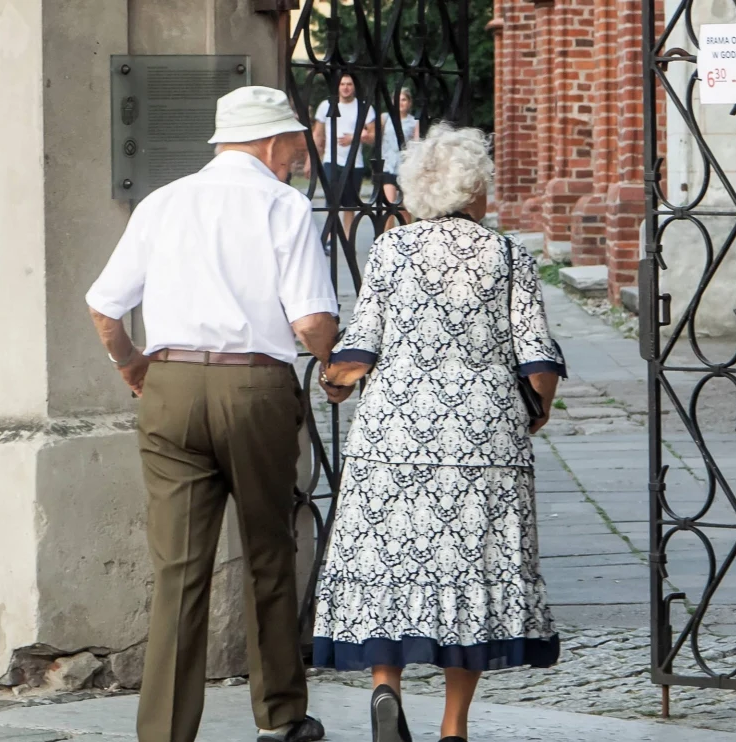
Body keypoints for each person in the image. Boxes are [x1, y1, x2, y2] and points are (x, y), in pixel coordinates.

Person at [85, 86, 338, 742]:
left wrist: (132, 365)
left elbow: (105, 309)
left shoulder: (162, 203)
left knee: (179, 568)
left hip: (169, 387)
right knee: (266, 553)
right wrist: (333, 361)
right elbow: (310, 319)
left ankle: (165, 733)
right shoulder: (282, 205)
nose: (297, 152)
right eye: (292, 140)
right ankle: (280, 718)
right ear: (270, 142)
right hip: (253, 388)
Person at [311, 125, 565, 742]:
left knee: (388, 564)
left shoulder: (391, 252)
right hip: (483, 436)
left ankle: (384, 689)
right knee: (471, 571)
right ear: (476, 188)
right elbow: (537, 358)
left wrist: (336, 380)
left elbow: (361, 345)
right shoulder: (506, 256)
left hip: (393, 435)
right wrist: (534, 408)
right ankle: (454, 727)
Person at [311, 73, 377, 240]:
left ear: (354, 86)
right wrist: (310, 160)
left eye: (349, 84)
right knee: (331, 202)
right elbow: (317, 134)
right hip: (331, 161)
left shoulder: (364, 107)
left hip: (355, 163)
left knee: (350, 204)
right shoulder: (326, 106)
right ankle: (329, 238)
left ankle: (348, 238)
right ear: (337, 87)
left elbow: (374, 136)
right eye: (342, 84)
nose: (346, 87)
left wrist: (354, 137)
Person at [378, 87, 420, 227]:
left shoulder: (414, 122)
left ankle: (405, 237)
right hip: (388, 165)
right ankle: (387, 238)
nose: (400, 103)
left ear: (409, 102)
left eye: (403, 100)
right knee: (390, 206)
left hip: (405, 167)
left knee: (404, 209)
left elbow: (416, 143)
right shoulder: (385, 118)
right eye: (397, 100)